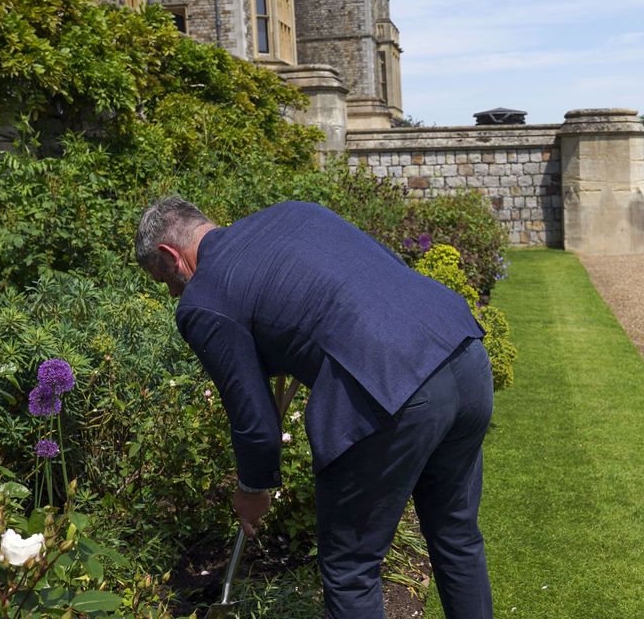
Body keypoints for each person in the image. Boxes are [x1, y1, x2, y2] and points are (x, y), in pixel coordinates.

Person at [135, 197, 494, 618]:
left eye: (165, 281)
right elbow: (381, 273)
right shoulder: (293, 213)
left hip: (390, 387)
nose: (174, 291)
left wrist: (253, 488)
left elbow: (255, 424)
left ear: (168, 254)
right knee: (456, 536)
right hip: (461, 350)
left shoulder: (203, 299)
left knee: (350, 569)